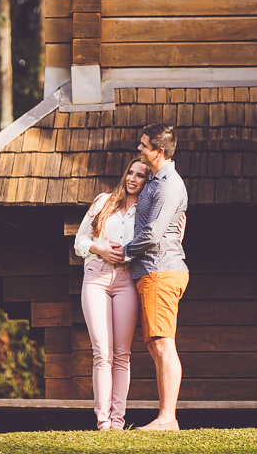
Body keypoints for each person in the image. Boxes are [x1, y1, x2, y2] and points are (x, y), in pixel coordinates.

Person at [108, 123, 189, 432]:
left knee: (163, 344)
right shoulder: (155, 180)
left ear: (160, 151)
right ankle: (165, 417)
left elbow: (154, 234)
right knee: (157, 345)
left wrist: (124, 251)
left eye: (143, 145)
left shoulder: (169, 185)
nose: (139, 149)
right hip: (152, 272)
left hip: (161, 271)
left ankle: (168, 419)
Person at [74, 157, 148, 431]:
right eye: (130, 172)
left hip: (126, 279)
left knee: (121, 353)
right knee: (101, 352)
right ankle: (103, 421)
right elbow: (79, 241)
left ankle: (118, 421)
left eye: (140, 175)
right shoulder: (103, 201)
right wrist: (100, 249)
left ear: (146, 181)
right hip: (97, 276)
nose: (132, 178)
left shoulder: (146, 211)